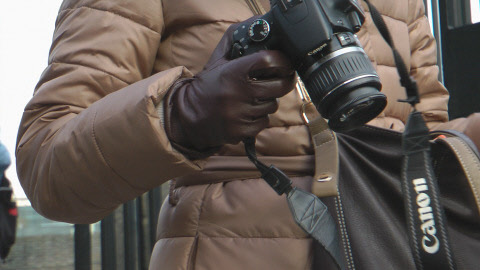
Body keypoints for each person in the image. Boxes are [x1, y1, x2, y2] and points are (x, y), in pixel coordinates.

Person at [15, 0, 480, 269]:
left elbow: (421, 143)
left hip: (394, 246)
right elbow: (47, 171)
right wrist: (183, 114)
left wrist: (471, 138)